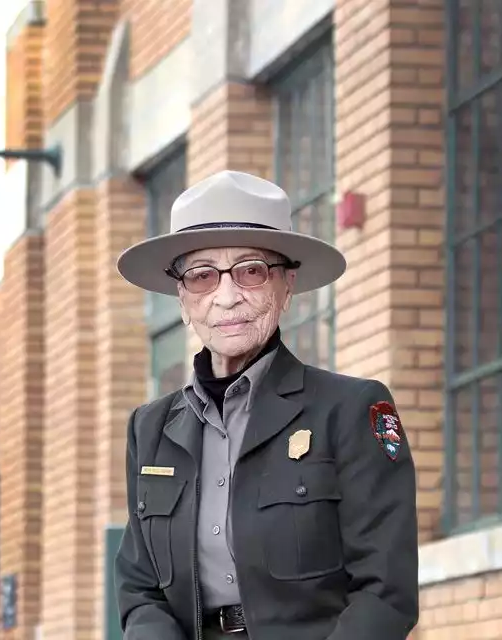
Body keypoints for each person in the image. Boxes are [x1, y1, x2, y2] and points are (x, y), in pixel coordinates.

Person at [113, 170, 419, 639]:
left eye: (252, 270)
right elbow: (140, 590)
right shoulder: (149, 428)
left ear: (286, 285)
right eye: (201, 276)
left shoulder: (352, 409)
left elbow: (386, 591)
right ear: (182, 298)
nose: (227, 296)